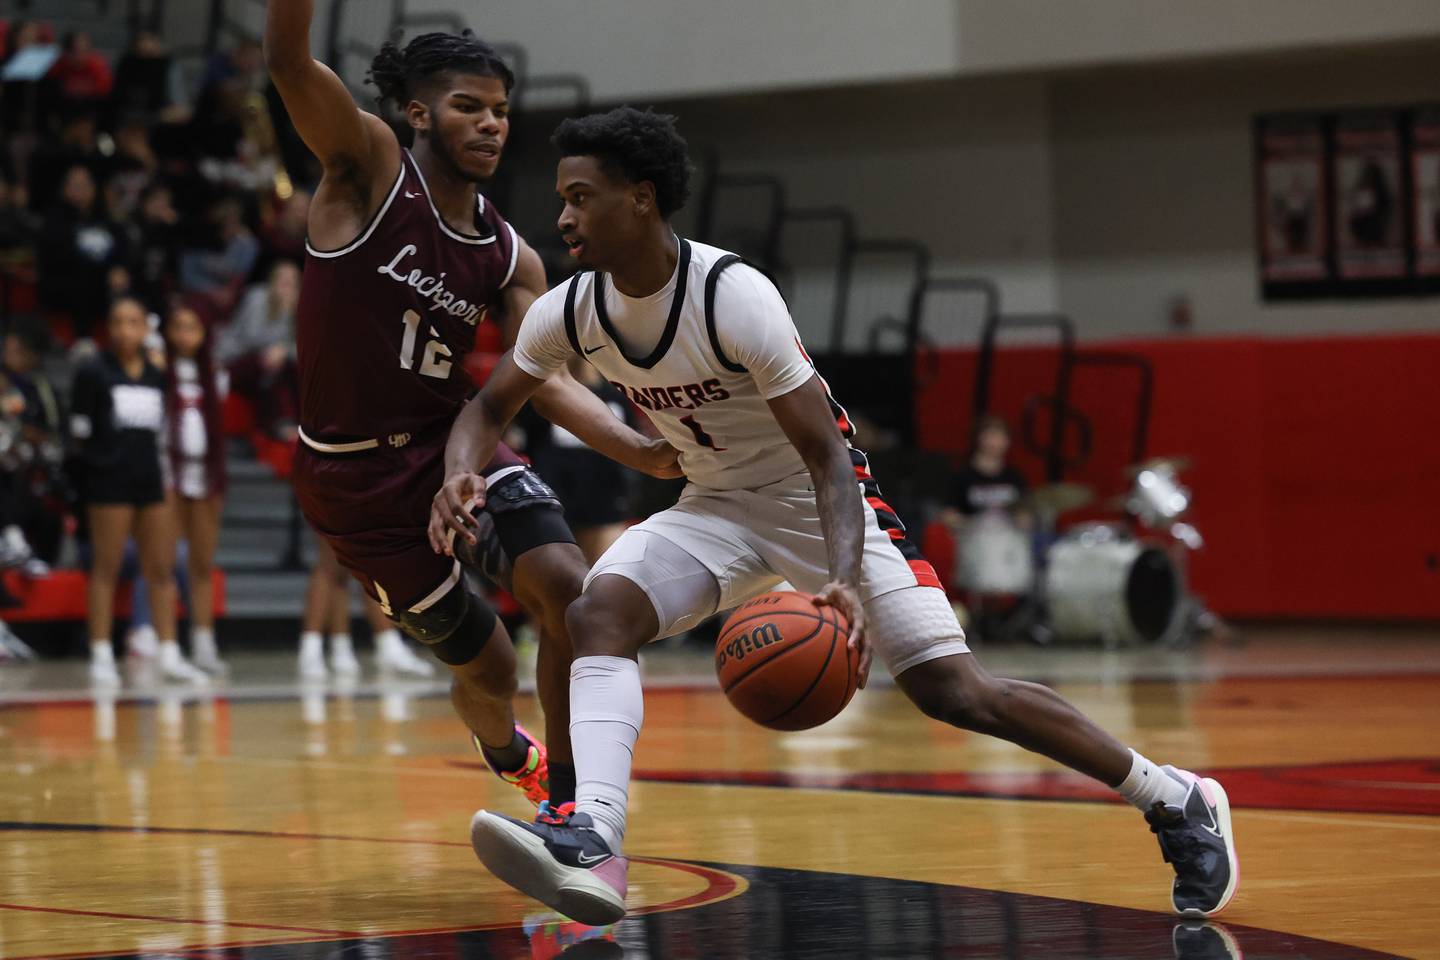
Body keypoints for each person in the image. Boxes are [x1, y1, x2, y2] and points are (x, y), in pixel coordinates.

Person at [439, 108, 1239, 925]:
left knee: (954, 691)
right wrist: (460, 474)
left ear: (641, 199)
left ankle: (1175, 797)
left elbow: (827, 458)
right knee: (597, 611)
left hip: (819, 501)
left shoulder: (733, 296)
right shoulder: (568, 311)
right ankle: (595, 841)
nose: (564, 217)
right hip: (715, 505)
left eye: (582, 197)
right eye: (562, 198)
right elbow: (491, 404)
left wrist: (845, 582)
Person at [262, 1, 679, 811]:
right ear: (418, 113)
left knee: (571, 590)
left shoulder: (510, 251)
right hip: (355, 481)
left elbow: (543, 379)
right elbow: (286, 62)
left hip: (457, 440)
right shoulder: (371, 166)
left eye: (500, 111)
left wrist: (640, 449)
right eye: (468, 107)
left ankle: (569, 802)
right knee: (488, 669)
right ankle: (505, 749)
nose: (491, 125)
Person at [70, 298, 206, 686]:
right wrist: (93, 474)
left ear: (146, 329)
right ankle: (100, 653)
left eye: (132, 322)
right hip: (108, 484)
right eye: (117, 322)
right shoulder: (93, 372)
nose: (124, 330)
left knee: (161, 570)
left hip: (150, 481)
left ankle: (168, 652)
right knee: (106, 569)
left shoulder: (155, 374)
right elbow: (79, 435)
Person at [519, 356, 641, 563]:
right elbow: (529, 442)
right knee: (562, 580)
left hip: (605, 503)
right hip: (557, 503)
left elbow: (634, 448)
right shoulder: (546, 397)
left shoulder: (616, 397)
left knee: (607, 571)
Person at [162, 304, 228, 673]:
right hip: (169, 477)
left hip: (205, 477)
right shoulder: (159, 369)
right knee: (164, 566)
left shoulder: (213, 375)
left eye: (192, 327)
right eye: (178, 326)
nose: (185, 334)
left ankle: (204, 644)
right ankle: (167, 647)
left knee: (202, 564)